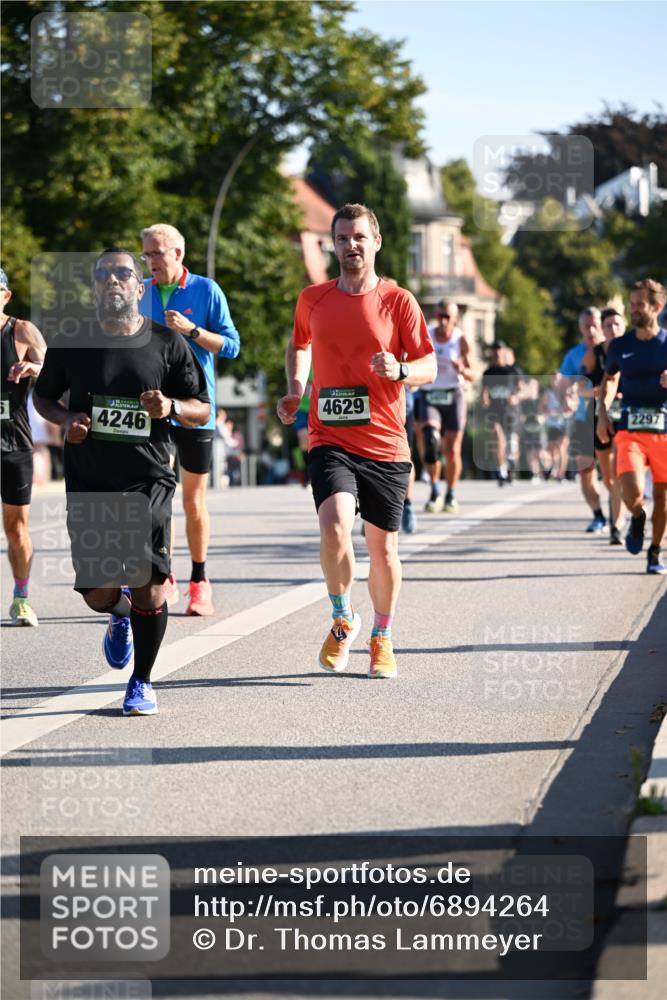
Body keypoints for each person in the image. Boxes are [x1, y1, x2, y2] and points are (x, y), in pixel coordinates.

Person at [34, 249, 210, 714]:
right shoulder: (71, 342)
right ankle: (118, 615)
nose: (113, 280)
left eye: (123, 273)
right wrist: (66, 418)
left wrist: (171, 407)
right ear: (95, 287)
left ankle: (142, 682)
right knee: (97, 591)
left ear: (140, 287)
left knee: (150, 581)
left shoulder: (167, 343)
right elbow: (43, 396)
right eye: (103, 274)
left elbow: (203, 408)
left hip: (148, 478)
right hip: (90, 480)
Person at [277, 203, 436, 679]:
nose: (351, 246)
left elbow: (429, 365)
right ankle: (343, 617)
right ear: (333, 245)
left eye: (359, 238)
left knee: (382, 548)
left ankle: (382, 635)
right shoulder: (313, 299)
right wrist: (297, 389)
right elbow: (298, 344)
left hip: (386, 443)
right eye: (343, 238)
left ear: (376, 242)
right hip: (329, 436)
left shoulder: (398, 301)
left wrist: (403, 370)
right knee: (334, 527)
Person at [139, 224, 240, 615]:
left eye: (157, 253)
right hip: (153, 409)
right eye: (146, 254)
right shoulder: (141, 292)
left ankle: (200, 580)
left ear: (178, 253)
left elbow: (231, 345)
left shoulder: (206, 290)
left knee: (193, 500)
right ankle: (166, 577)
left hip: (197, 408)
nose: (151, 262)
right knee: (157, 499)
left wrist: (192, 330)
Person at [597, 279, 667, 574]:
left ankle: (654, 551)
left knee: (663, 497)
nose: (634, 310)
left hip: (664, 428)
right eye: (632, 304)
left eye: (640, 305)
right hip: (629, 427)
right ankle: (636, 515)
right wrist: (602, 412)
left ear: (657, 307)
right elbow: (610, 379)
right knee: (632, 491)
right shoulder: (620, 345)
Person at [1, 267, 47, 626]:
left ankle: (21, 598)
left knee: (16, 528)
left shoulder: (21, 330)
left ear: (5, 295)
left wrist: (32, 367)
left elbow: (55, 370)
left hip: (12, 442)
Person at [414, 301, 473, 513]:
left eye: (448, 316)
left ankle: (451, 493)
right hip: (430, 393)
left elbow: (473, 374)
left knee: (452, 450)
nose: (444, 320)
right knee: (430, 441)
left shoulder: (460, 339)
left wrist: (462, 370)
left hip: (453, 395)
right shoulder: (426, 334)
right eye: (441, 315)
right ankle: (435, 488)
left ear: (455, 318)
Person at [558, 307, 607, 532]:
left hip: (611, 417)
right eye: (586, 326)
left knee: (612, 473)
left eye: (595, 324)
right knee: (585, 471)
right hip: (583, 418)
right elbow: (563, 385)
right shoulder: (573, 355)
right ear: (580, 328)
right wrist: (566, 399)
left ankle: (618, 512)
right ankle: (598, 515)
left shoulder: (612, 350)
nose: (591, 329)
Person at [586, 307, 627, 544]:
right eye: (608, 325)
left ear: (624, 327)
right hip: (600, 414)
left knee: (621, 471)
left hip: (626, 414)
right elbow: (579, 382)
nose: (612, 329)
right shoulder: (595, 353)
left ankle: (617, 524)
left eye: (617, 325)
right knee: (609, 476)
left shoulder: (633, 348)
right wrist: (590, 391)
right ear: (602, 329)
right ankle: (619, 507)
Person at [481, 341, 521, 486]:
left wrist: (516, 396)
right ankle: (501, 470)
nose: (497, 352)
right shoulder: (488, 372)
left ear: (504, 351)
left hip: (510, 412)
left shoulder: (513, 371)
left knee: (511, 444)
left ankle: (512, 467)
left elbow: (522, 388)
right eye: (494, 349)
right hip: (494, 411)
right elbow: (484, 390)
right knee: (498, 439)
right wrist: (484, 398)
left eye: (499, 349)